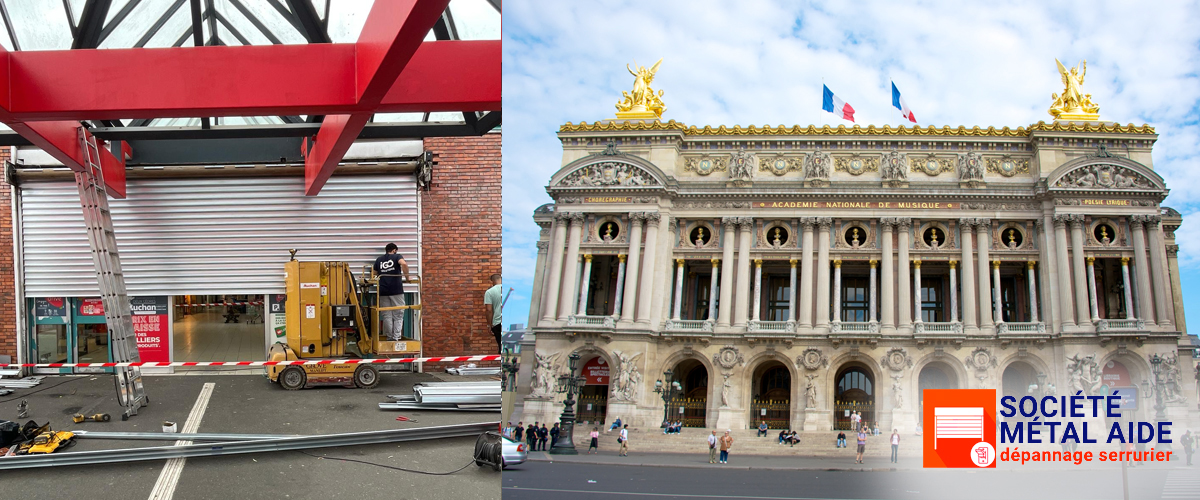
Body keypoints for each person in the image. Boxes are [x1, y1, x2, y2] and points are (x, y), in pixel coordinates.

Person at [373, 243, 411, 340]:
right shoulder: (397, 256)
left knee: (387, 315)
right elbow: (404, 264)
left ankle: (389, 337)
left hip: (383, 290)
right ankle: (396, 337)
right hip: (396, 290)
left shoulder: (379, 259)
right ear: (394, 250)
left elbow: (374, 273)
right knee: (398, 314)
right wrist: (407, 277)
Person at [483, 273, 504, 352]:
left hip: (497, 323)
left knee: (500, 346)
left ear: (492, 281)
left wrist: (489, 325)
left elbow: (489, 310)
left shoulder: (489, 292)